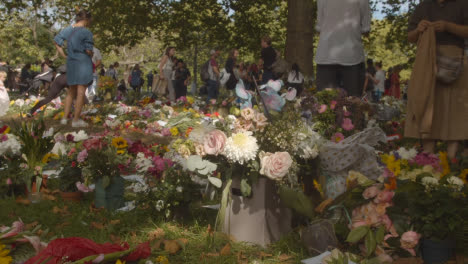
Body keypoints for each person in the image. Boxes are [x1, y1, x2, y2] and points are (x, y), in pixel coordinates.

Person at [405, 0, 468, 160]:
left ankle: (452, 161)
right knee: (426, 105)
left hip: (456, 62)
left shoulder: (462, 4)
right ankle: (429, 160)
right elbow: (410, 37)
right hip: (427, 61)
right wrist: (419, 29)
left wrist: (448, 27)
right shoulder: (424, 6)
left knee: (456, 110)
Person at [315, 0, 371, 97]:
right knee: (354, 104)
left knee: (325, 105)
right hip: (352, 57)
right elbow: (366, 29)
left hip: (326, 56)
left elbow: (320, 27)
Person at [54, 10, 93, 128]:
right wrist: (91, 54)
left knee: (71, 91)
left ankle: (65, 118)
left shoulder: (68, 29)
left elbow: (56, 41)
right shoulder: (86, 32)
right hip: (82, 62)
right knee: (81, 92)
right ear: (87, 20)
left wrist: (63, 55)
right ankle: (76, 120)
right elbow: (88, 50)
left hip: (71, 61)